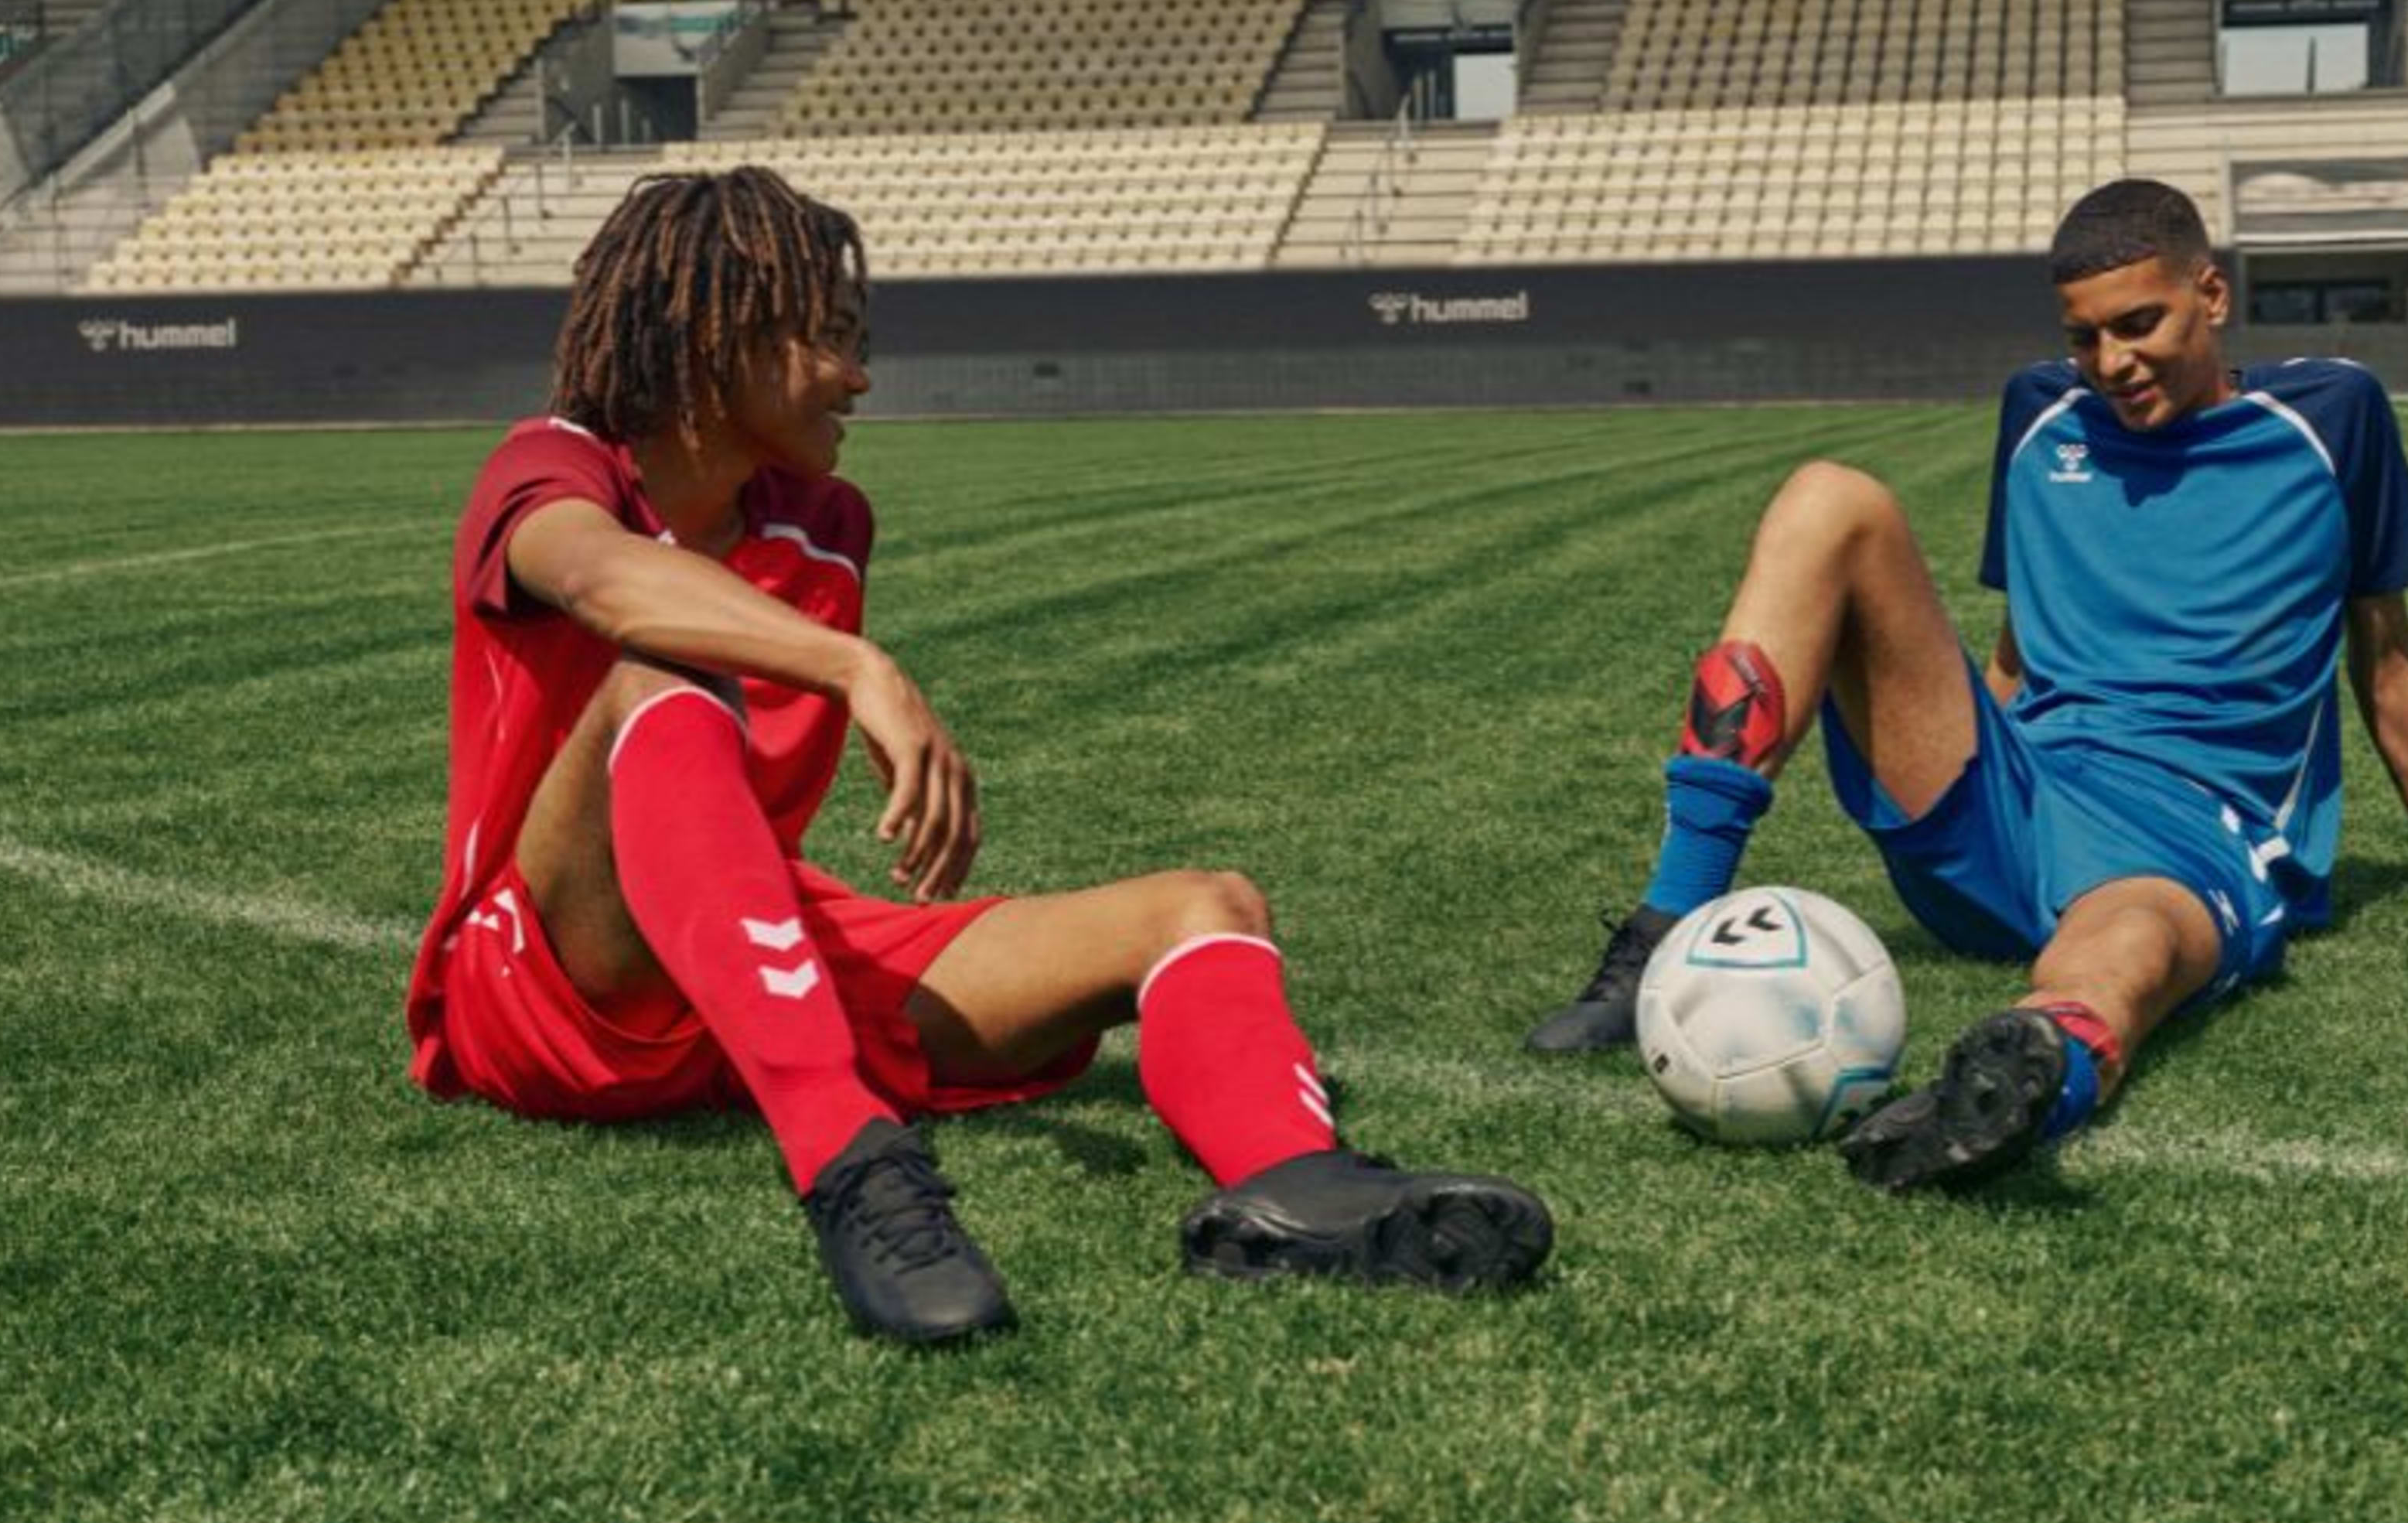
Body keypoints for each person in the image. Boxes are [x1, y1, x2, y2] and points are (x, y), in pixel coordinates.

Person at [407, 166, 1552, 1344]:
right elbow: (601, 579)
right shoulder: (553, 470)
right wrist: (857, 668)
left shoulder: (828, 523)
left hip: (750, 976)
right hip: (542, 992)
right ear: (721, 341)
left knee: (1205, 906)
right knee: (666, 676)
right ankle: (855, 1165)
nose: (858, 377)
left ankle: (1298, 1187)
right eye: (829, 340)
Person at [1525, 179, 2408, 1191]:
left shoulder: (2336, 416)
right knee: (1826, 498)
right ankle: (1664, 931)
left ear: (2212, 294)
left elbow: (2385, 661)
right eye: (2085, 337)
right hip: (2019, 795)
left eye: (2139, 324)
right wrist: (1966, 766)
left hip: (2190, 836)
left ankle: (2030, 1069)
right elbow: (2019, 648)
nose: (2111, 362)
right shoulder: (2040, 412)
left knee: (2131, 947)